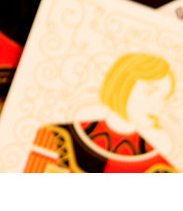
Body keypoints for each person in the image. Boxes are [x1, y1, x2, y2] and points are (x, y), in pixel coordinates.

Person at [24, 53, 178, 173]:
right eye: (150, 92)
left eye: (164, 98)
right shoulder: (55, 136)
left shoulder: (161, 169)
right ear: (122, 84)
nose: (158, 105)